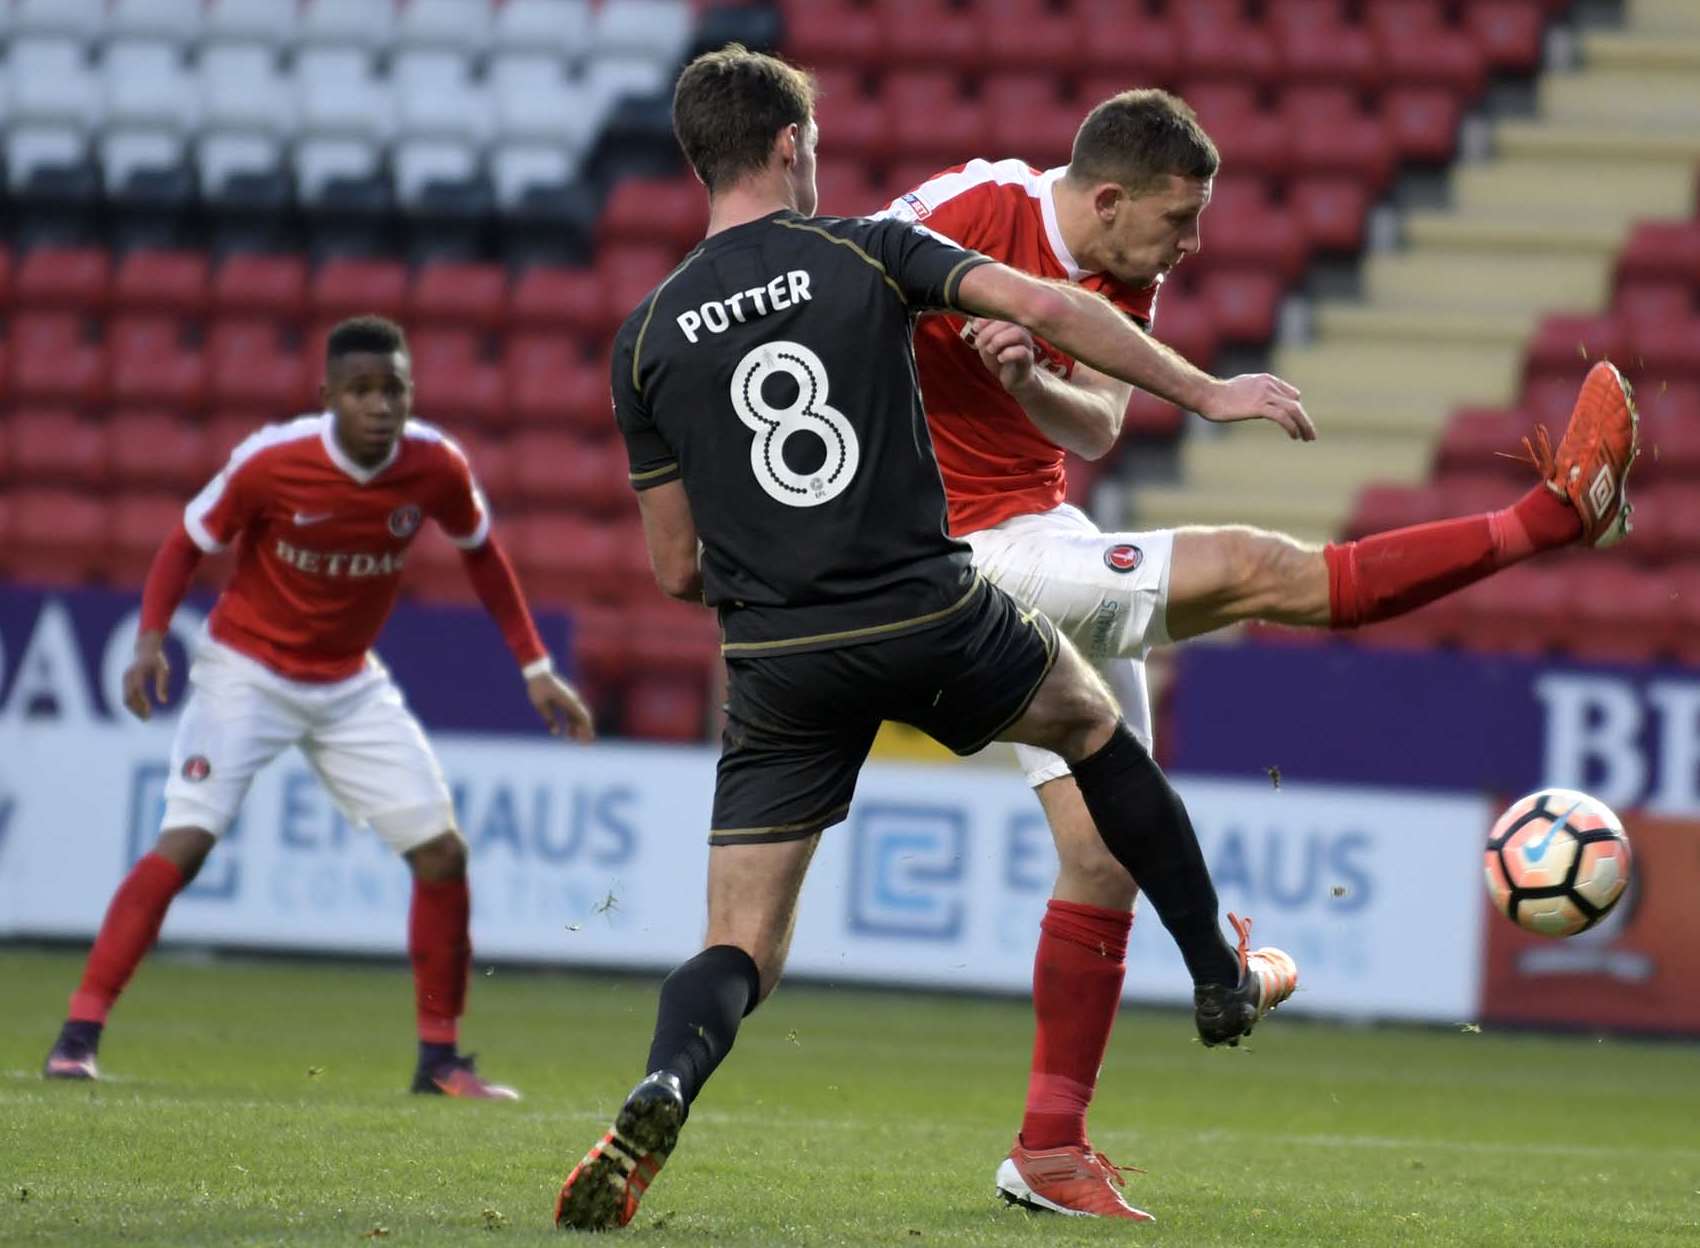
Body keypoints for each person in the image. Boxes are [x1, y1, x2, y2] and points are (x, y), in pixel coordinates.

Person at [551, 45, 1303, 1233]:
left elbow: (674, 566)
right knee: (1093, 727)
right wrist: (1206, 394)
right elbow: (1049, 307)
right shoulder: (858, 246)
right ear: (793, 148)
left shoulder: (642, 338)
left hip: (775, 660)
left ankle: (664, 1081)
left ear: (697, 160)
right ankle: (1215, 969)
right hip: (920, 602)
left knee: (741, 943)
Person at [877, 87, 1640, 1218]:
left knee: (1100, 853)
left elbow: (1092, 428)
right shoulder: (961, 211)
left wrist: (1027, 375)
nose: (1190, 245)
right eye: (1177, 221)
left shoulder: (1122, 271)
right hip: (942, 556)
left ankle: (1046, 1151)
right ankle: (1543, 521)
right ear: (1104, 198)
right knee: (1257, 567)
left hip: (1039, 536)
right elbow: (836, 310)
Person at [40, 316, 595, 1100]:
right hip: (246, 672)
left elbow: (485, 557)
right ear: (327, 395)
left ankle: (439, 1062)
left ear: (411, 393)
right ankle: (77, 1036)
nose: (379, 406)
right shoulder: (272, 462)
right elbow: (184, 541)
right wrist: (149, 640)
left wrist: (535, 669)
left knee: (443, 854)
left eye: (393, 389)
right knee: (188, 840)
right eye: (362, 390)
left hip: (346, 683)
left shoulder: (435, 466)